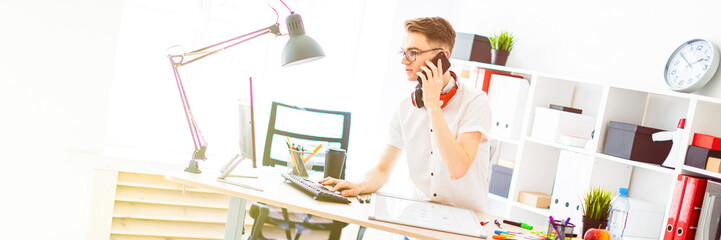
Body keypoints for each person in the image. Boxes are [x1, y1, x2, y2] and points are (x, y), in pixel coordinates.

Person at [319, 16, 491, 213]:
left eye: (412, 53)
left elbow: (457, 169)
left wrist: (433, 105)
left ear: (442, 57)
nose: (403, 61)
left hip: (466, 224)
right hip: (419, 219)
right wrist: (358, 185)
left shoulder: (475, 102)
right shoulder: (405, 108)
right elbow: (382, 170)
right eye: (403, 52)